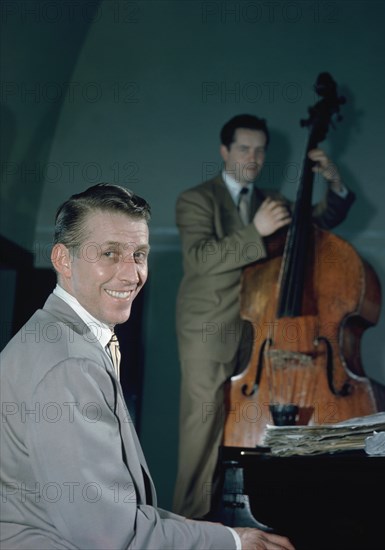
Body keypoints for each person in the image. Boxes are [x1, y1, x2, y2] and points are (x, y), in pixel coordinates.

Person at [0, 183, 295, 550]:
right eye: (110, 253)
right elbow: (112, 538)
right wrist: (233, 542)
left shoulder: (51, 335)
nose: (131, 274)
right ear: (63, 259)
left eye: (139, 255)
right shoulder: (70, 365)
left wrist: (217, 531)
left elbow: (116, 514)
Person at [173, 114, 356, 519]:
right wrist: (255, 231)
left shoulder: (271, 202)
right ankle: (190, 524)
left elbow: (318, 222)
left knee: (246, 427)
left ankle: (239, 521)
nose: (253, 158)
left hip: (258, 332)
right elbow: (201, 260)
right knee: (201, 431)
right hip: (208, 330)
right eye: (243, 148)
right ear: (224, 151)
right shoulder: (196, 199)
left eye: (260, 150)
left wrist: (334, 183)